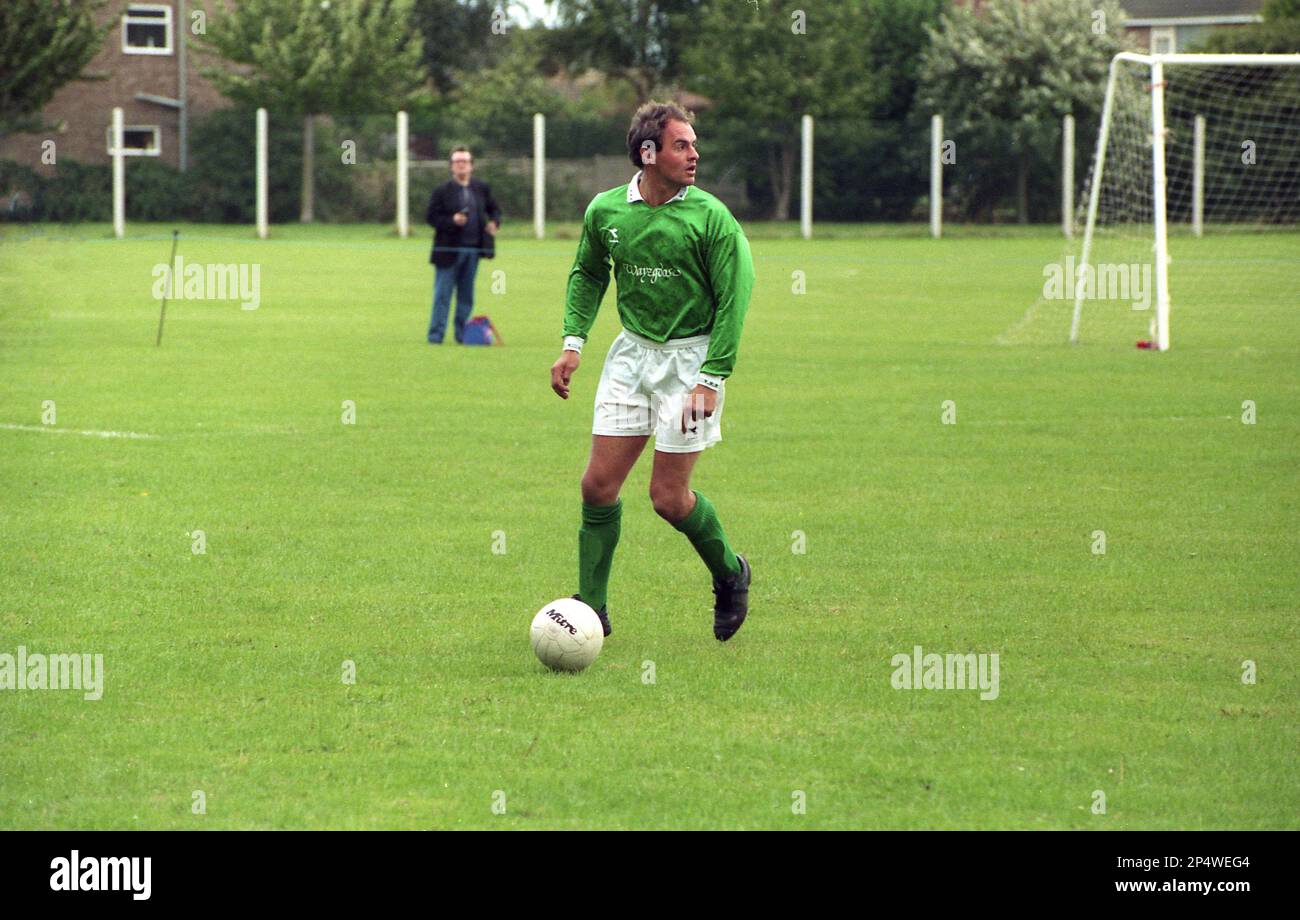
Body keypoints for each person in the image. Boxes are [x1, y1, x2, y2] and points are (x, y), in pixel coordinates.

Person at [550, 101, 755, 642]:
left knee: (667, 499)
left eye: (693, 144)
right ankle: (591, 608)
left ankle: (731, 575)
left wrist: (712, 378)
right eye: (682, 145)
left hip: (691, 363)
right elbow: (588, 273)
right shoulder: (606, 211)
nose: (694, 154)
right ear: (649, 153)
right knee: (597, 486)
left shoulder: (711, 217)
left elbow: (736, 298)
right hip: (631, 357)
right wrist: (573, 344)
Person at [425, 146, 501, 344]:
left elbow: (495, 210)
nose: (461, 165)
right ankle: (436, 336)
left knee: (466, 297)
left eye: (465, 162)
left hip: (473, 250)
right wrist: (452, 220)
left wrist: (494, 223)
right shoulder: (442, 191)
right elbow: (431, 217)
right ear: (451, 166)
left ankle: (462, 335)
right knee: (442, 295)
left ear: (471, 166)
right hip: (448, 251)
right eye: (457, 162)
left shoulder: (481, 188)